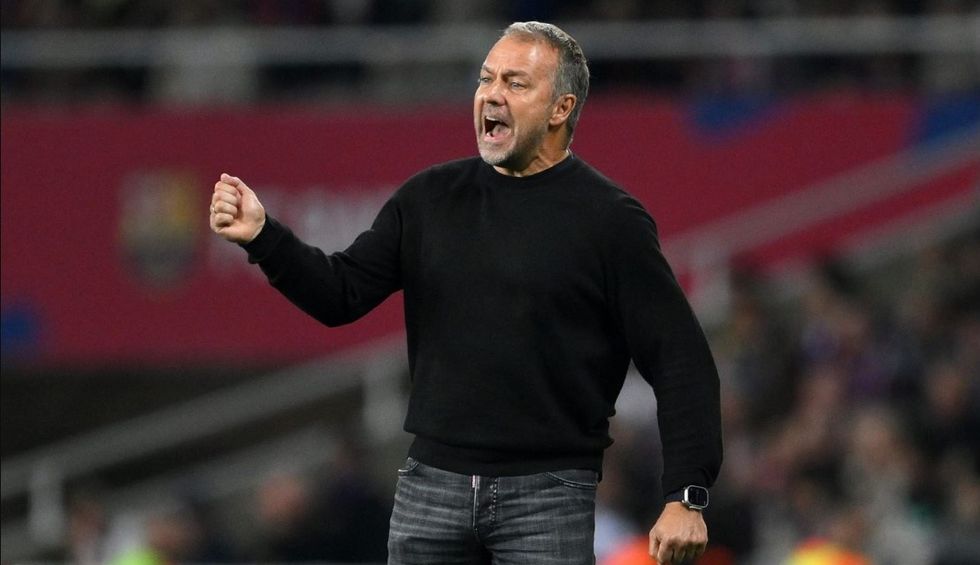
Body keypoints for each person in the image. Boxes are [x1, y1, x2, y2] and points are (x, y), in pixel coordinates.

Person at [210, 21, 722, 565]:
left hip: (547, 498)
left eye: (516, 83)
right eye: (485, 78)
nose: (491, 94)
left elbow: (680, 360)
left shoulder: (611, 221)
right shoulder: (429, 198)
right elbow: (341, 294)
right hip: (429, 490)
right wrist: (264, 237)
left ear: (561, 108)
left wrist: (686, 495)